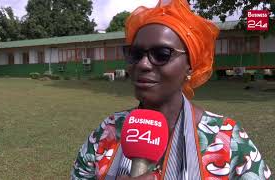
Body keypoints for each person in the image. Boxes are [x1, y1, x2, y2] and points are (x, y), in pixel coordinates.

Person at [71, 0, 272, 179]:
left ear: (190, 65)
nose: (143, 64)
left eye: (161, 53)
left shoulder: (228, 141)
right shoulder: (109, 131)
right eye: (136, 53)